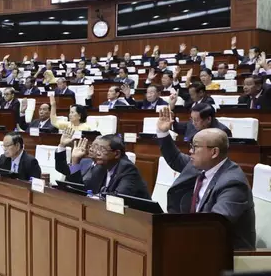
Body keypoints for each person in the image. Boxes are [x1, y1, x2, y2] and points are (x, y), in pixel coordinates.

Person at [156, 107, 255, 250]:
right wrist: (163, 132)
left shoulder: (233, 183)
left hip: (227, 254)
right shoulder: (199, 165)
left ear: (214, 152)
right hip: (199, 242)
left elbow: (215, 225)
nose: (190, 151)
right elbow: (175, 158)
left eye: (195, 147)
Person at [55, 127, 150, 198]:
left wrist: (96, 197)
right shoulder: (100, 167)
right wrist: (75, 161)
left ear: (116, 153)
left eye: (101, 149)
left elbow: (117, 200)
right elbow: (83, 191)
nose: (97, 153)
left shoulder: (127, 169)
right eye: (95, 148)